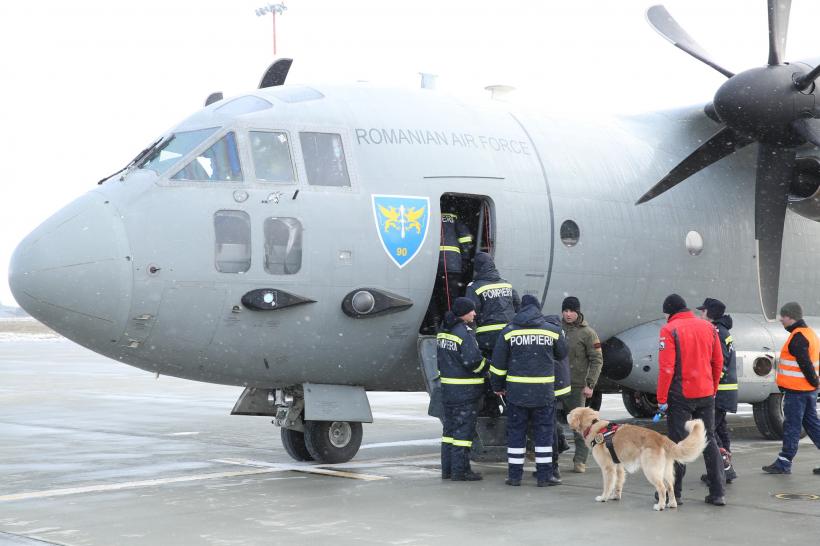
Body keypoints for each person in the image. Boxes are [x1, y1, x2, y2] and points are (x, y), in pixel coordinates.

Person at [656, 294, 726, 506]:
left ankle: (673, 493)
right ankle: (718, 493)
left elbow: (667, 368)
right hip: (705, 393)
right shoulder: (708, 327)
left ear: (670, 311)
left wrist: (661, 398)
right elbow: (718, 361)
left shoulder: (669, 330)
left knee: (678, 444)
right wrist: (712, 388)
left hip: (681, 395)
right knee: (709, 440)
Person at [491, 295, 567, 487]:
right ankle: (544, 476)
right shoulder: (552, 331)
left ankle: (514, 476)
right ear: (538, 308)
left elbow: (498, 365)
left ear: (521, 309)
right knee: (544, 434)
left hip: (516, 394)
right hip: (543, 394)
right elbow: (562, 354)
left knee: (516, 433)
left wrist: (498, 386)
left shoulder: (508, 331)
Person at [762, 302, 820, 476]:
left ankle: (783, 463)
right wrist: (815, 383)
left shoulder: (798, 337)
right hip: (808, 390)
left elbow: (805, 364)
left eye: (783, 316)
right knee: (813, 425)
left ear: (791, 316)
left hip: (798, 391)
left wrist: (814, 381)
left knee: (792, 427)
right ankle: (783, 462)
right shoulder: (809, 333)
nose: (781, 319)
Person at [437, 297, 486, 481]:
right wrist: (487, 367)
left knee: (449, 432)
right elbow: (473, 362)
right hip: (465, 391)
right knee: (463, 433)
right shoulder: (464, 333)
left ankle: (447, 470)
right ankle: (460, 471)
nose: (474, 314)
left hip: (448, 390)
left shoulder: (444, 331)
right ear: (464, 313)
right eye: (471, 311)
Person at [696, 298, 738, 485]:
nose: (700, 315)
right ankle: (723, 468)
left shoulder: (717, 332)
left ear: (710, 314)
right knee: (720, 430)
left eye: (703, 312)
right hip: (724, 392)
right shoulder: (723, 331)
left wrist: (710, 386)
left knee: (709, 432)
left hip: (719, 392)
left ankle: (724, 469)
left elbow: (720, 363)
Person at [560, 296, 603, 473]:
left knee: (580, 426)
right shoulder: (556, 329)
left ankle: (580, 460)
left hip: (577, 386)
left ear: (578, 312)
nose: (568, 314)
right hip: (557, 384)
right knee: (550, 423)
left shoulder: (588, 333)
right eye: (566, 311)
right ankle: (554, 452)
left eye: (572, 311)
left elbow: (597, 359)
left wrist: (590, 384)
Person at [422, 208, 474, 333]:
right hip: (452, 264)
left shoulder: (427, 216)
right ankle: (452, 327)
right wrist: (465, 258)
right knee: (451, 298)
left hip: (430, 264)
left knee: (432, 297)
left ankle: (434, 325)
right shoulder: (453, 217)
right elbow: (466, 238)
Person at [465, 252, 521, 356]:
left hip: (487, 338)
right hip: (510, 334)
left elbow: (469, 313)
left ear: (477, 267)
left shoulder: (474, 287)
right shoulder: (506, 284)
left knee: (490, 367)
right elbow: (519, 307)